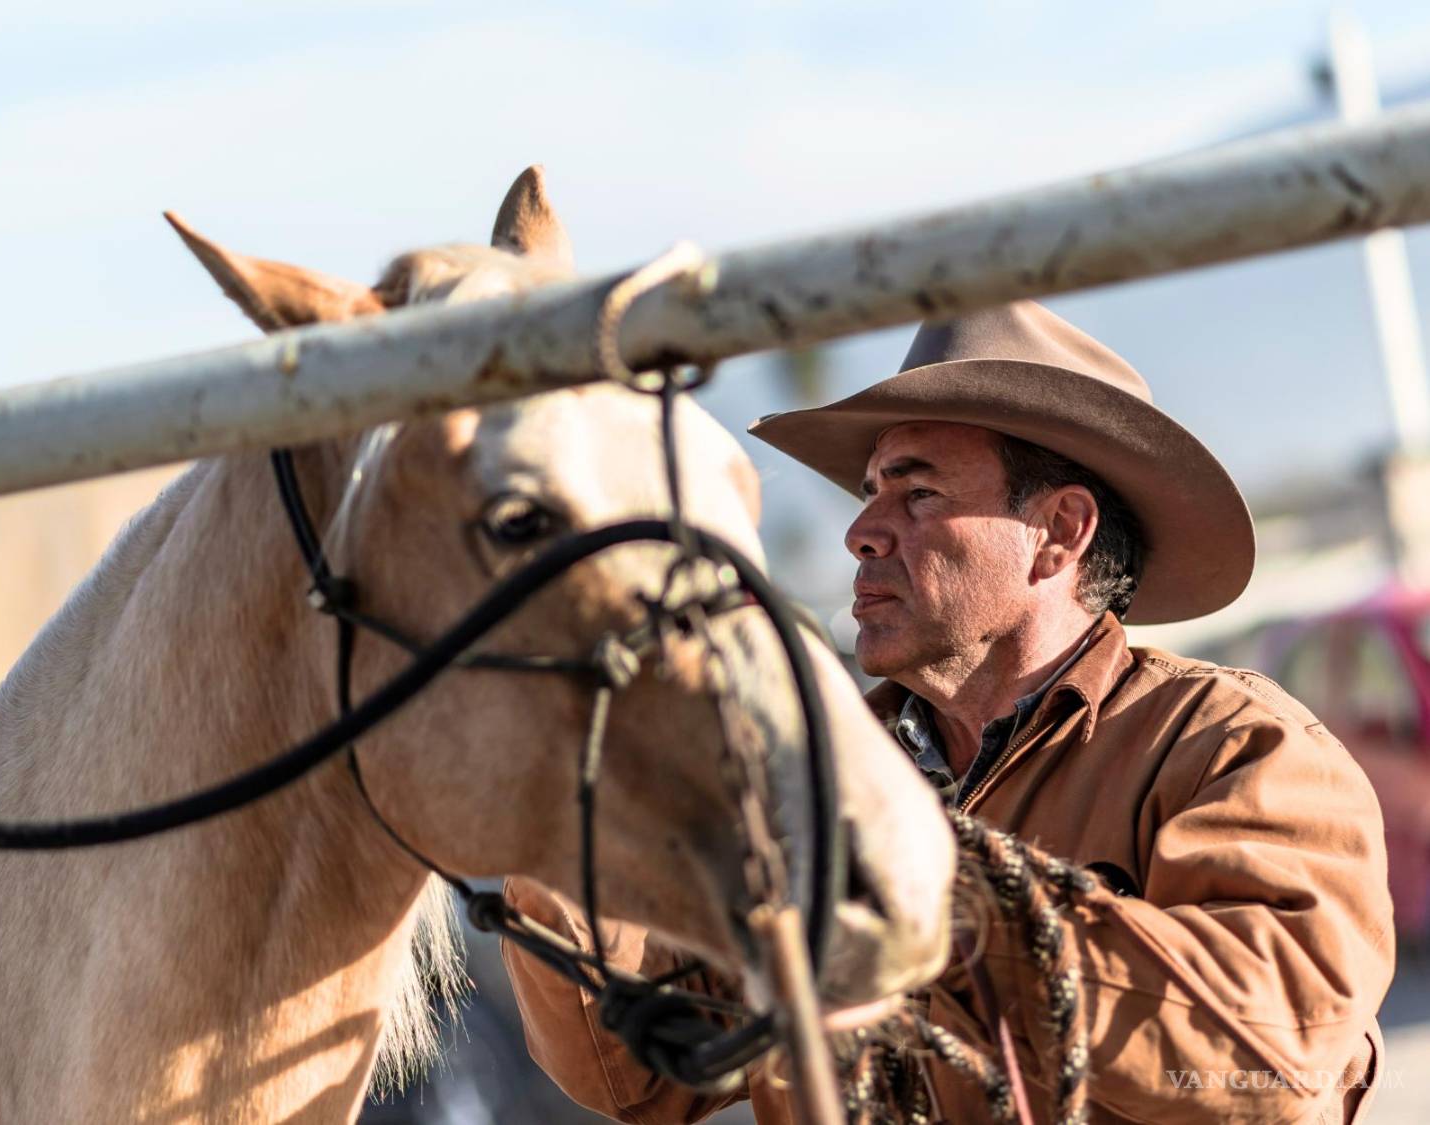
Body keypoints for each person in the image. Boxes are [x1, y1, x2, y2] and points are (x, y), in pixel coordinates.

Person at [500, 301, 1394, 1123]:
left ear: (1061, 532)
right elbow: (629, 1070)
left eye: (917, 491)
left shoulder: (1234, 749)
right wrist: (554, 801)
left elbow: (1271, 1062)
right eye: (871, 491)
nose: (864, 530)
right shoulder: (814, 781)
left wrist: (935, 896)